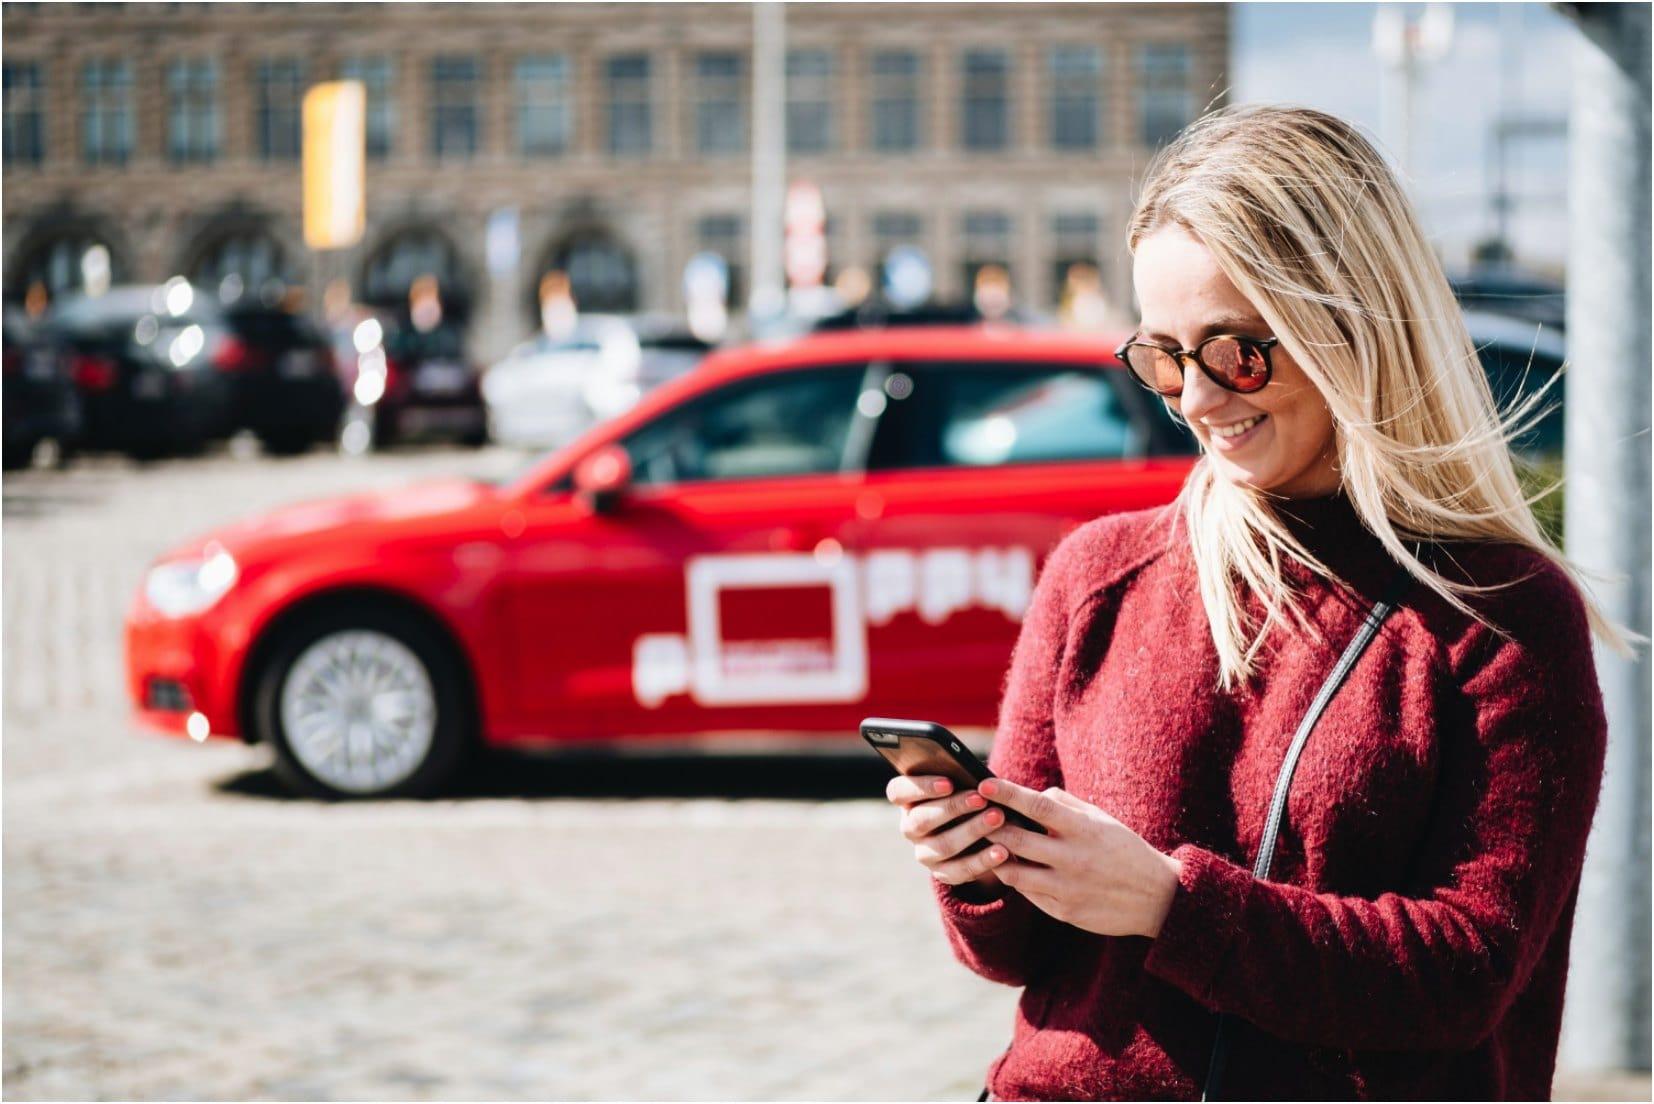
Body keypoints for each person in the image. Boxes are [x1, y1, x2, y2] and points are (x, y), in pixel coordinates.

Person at [885, 104, 1637, 1101]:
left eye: (1235, 350)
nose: (1196, 396)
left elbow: (1467, 971)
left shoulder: (1500, 614)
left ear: (1349, 325)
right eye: (1161, 357)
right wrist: (974, 864)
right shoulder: (1096, 577)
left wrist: (1171, 906)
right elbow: (1019, 955)